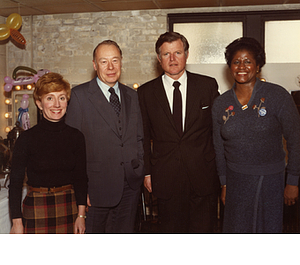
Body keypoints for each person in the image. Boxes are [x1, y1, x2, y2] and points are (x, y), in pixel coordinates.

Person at [212, 37, 300, 233]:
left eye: (248, 61)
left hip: (269, 182)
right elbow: (218, 148)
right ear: (230, 66)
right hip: (235, 183)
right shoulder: (220, 104)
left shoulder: (278, 96)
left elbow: (296, 139)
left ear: (258, 65)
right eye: (236, 61)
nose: (241, 66)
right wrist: (224, 183)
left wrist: (293, 181)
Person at [137, 31, 220, 233]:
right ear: (159, 58)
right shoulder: (146, 92)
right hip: (166, 177)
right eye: (166, 54)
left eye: (177, 53)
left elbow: (217, 131)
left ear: (187, 54)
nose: (173, 59)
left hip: (203, 176)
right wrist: (147, 172)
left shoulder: (207, 85)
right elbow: (143, 136)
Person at [65, 40, 144, 233]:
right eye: (104, 62)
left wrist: (139, 168)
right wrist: (81, 192)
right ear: (94, 65)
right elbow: (71, 149)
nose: (110, 67)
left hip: (130, 187)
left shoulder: (131, 95)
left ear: (121, 62)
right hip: (95, 191)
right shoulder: (79, 96)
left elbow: (138, 136)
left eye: (115, 61)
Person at [9, 72, 88, 234]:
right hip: (36, 207)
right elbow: (15, 183)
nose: (57, 104)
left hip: (68, 206)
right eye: (50, 98)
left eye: (62, 97)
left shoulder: (76, 137)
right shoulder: (26, 139)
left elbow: (81, 178)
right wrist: (16, 222)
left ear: (67, 101)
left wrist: (81, 215)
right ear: (39, 103)